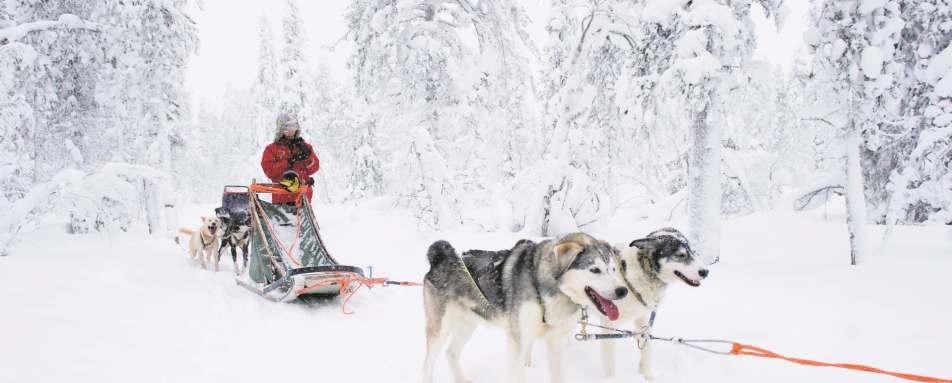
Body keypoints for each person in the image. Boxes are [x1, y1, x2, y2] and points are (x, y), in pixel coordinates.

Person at [260, 113, 320, 205]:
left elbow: (314, 168)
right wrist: (288, 162)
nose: (292, 131)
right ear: (281, 130)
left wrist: (307, 158)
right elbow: (269, 171)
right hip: (281, 200)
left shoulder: (304, 146)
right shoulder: (272, 149)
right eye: (288, 128)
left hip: (303, 199)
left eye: (294, 127)